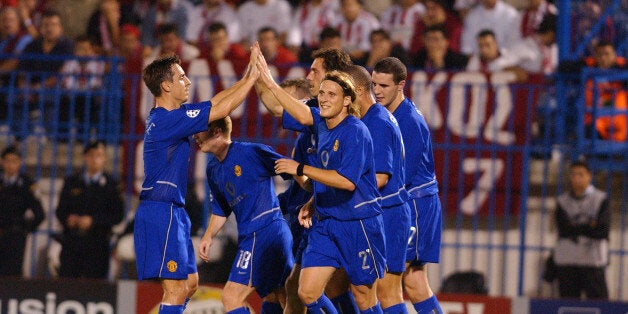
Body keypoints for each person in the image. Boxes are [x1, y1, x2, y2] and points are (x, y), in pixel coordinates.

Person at [133, 46, 259, 314]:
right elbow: (221, 108)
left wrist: (246, 77)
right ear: (166, 86)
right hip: (161, 211)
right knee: (175, 289)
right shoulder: (168, 120)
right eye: (181, 77)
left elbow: (215, 104)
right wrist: (251, 80)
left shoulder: (171, 118)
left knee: (189, 284)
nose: (188, 81)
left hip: (171, 211)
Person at [259, 53, 386, 312]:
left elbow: (347, 181)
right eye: (323, 94)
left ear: (348, 100)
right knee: (306, 292)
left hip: (359, 224)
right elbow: (302, 112)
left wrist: (301, 168)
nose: (324, 99)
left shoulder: (356, 131)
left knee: (364, 295)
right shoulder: (322, 122)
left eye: (332, 95)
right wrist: (271, 84)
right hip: (326, 224)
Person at [195, 116, 294, 314]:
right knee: (279, 295)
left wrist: (309, 199)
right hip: (254, 234)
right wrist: (208, 235)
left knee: (231, 297)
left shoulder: (250, 152)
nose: (195, 136)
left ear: (216, 132)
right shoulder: (213, 169)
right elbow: (222, 209)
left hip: (265, 230)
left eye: (199, 131)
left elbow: (294, 170)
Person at [372, 57, 443, 313]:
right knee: (413, 281)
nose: (377, 91)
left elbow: (401, 174)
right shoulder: (388, 115)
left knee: (392, 285)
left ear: (401, 85)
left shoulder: (408, 121)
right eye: (373, 85)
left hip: (414, 204)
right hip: (410, 202)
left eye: (384, 86)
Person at [345, 64, 410, 313]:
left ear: (358, 91)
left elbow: (381, 177)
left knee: (387, 290)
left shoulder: (378, 123)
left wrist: (342, 185)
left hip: (389, 212)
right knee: (361, 288)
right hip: (376, 212)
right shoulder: (368, 120)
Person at [55, 141, 124, 279]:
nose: (95, 159)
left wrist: (93, 221)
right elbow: (60, 210)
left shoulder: (112, 185)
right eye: (91, 155)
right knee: (67, 283)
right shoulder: (72, 182)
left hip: (97, 243)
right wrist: (69, 219)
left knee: (94, 286)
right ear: (85, 157)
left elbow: (117, 215)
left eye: (99, 155)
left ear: (105, 158)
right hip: (72, 241)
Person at [554, 160, 609, 300]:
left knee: (599, 304)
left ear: (589, 176)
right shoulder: (562, 201)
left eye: (581, 174)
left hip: (593, 260)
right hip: (568, 261)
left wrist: (574, 227)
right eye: (573, 175)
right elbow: (563, 229)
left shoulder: (600, 198)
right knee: (568, 303)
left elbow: (602, 230)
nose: (576, 178)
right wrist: (589, 225)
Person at [0, 145, 44, 277]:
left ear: (20, 162)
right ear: (2, 162)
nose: (10, 165)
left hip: (15, 236)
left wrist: (23, 229)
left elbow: (40, 214)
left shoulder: (27, 184)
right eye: (7, 160)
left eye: (14, 161)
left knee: (12, 273)